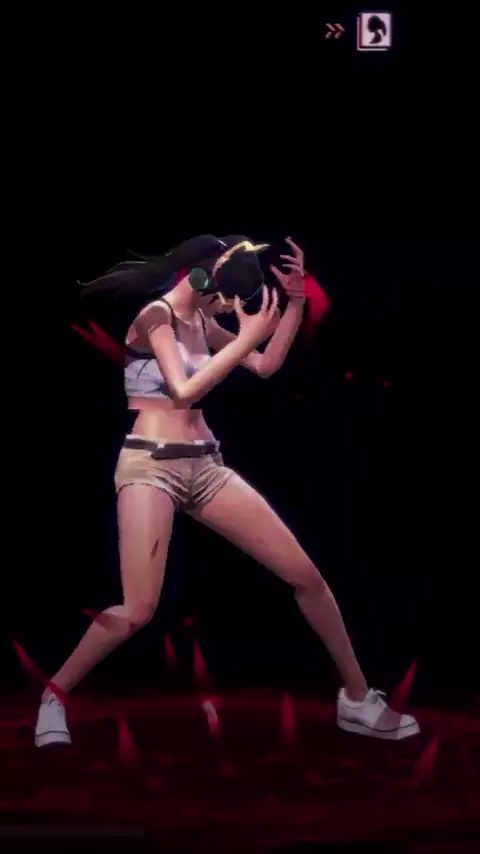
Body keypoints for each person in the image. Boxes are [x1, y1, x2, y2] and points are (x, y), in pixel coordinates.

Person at [35, 234, 419, 747]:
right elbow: (184, 390)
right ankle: (53, 696)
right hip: (149, 468)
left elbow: (263, 365)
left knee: (307, 578)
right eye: (221, 291)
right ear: (199, 275)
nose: (225, 303)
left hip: (206, 467)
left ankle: (356, 699)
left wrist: (295, 304)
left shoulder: (200, 319)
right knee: (137, 610)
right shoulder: (156, 317)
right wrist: (244, 337)